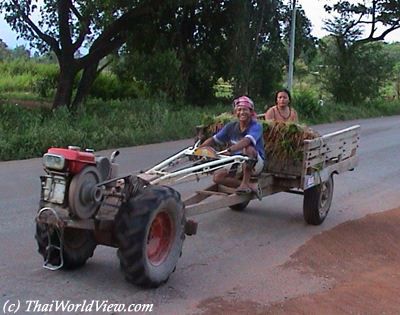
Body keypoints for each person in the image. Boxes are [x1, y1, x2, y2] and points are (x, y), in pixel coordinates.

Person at [200, 96, 265, 197]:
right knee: (217, 177)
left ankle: (245, 183)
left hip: (255, 163)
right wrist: (200, 149)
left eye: (245, 109)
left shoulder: (256, 126)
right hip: (236, 160)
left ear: (251, 112)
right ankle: (250, 185)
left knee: (248, 149)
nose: (242, 112)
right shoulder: (231, 126)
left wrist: (230, 150)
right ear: (235, 113)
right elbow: (214, 139)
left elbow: (247, 141)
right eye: (239, 110)